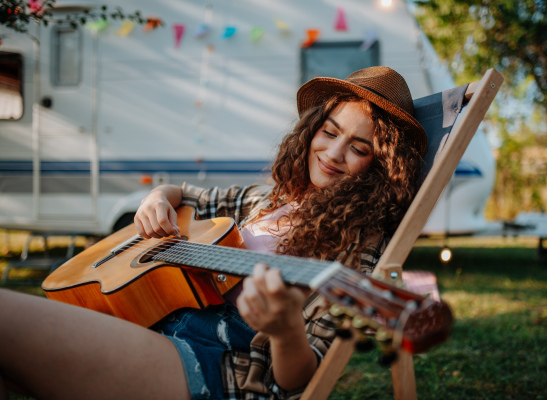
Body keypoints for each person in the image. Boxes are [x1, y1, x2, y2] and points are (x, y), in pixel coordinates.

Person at [0, 66, 426, 400]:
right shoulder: (265, 200)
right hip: (156, 325)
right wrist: (156, 200)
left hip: (214, 366)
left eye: (358, 147)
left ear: (381, 166)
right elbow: (183, 193)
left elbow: (297, 381)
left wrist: (284, 330)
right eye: (330, 132)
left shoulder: (357, 249)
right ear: (313, 129)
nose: (333, 153)